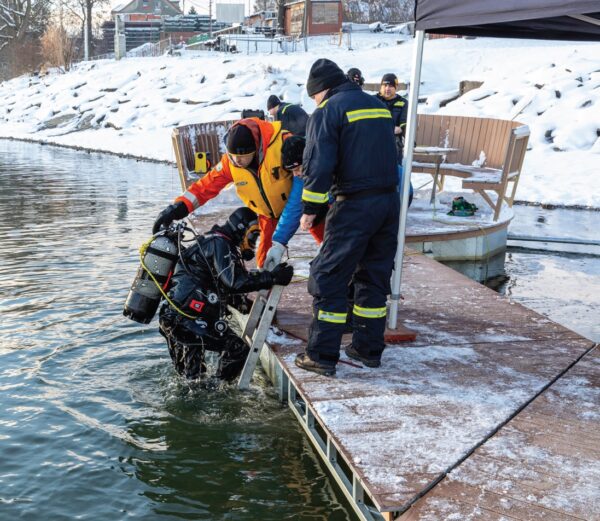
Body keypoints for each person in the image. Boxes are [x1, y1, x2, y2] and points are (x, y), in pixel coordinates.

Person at [295, 58, 400, 376]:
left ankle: (321, 355)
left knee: (328, 276)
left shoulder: (327, 111)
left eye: (314, 96)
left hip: (353, 204)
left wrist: (311, 209)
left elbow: (318, 163)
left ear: (322, 89)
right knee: (373, 275)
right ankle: (368, 349)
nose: (315, 102)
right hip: (388, 202)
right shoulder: (378, 106)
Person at [158, 207, 294, 381]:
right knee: (237, 349)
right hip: (185, 319)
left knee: (192, 379)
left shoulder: (215, 242)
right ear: (241, 229)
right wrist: (272, 277)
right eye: (253, 236)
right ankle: (218, 389)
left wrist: (256, 310)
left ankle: (210, 391)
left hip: (177, 317)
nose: (253, 242)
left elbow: (225, 288)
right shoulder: (220, 243)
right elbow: (235, 282)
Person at [152, 117, 293, 268]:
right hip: (268, 216)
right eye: (232, 156)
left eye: (242, 156)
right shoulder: (230, 163)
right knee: (265, 264)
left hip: (297, 208)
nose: (237, 160)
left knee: (315, 239)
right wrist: (179, 207)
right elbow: (205, 186)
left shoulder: (282, 143)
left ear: (256, 149)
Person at [264, 135, 326, 269]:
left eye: (297, 169)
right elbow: (294, 206)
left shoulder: (328, 167)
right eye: (292, 171)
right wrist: (278, 242)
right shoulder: (302, 177)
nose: (296, 174)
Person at [375, 73, 408, 163]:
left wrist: (400, 129)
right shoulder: (373, 100)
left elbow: (403, 126)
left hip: (393, 145)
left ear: (396, 87)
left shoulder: (403, 103)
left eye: (390, 86)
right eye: (385, 85)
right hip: (374, 144)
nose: (387, 88)